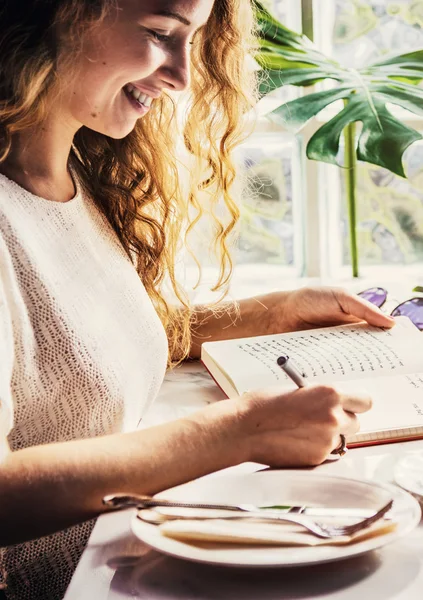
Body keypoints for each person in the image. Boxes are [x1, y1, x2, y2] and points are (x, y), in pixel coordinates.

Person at [0, 1, 395, 598]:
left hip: (127, 561)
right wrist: (238, 431)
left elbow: (64, 347)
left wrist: (274, 311)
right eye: (160, 34)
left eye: (194, 40)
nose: (183, 76)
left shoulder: (75, 173)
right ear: (44, 17)